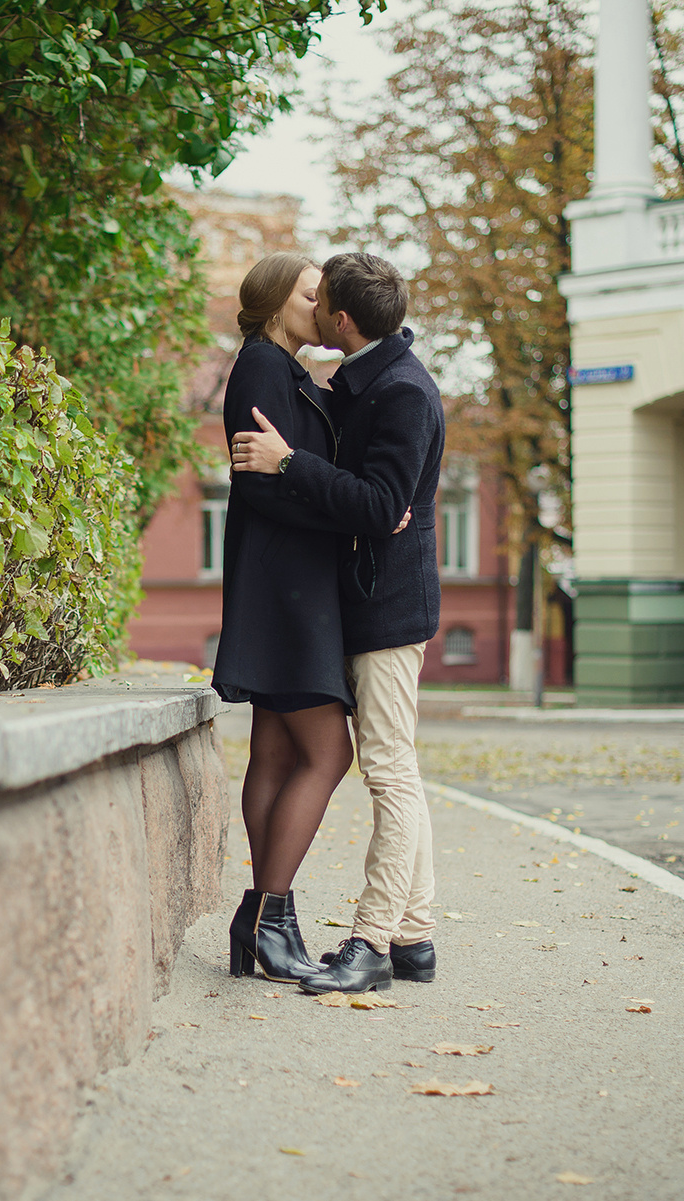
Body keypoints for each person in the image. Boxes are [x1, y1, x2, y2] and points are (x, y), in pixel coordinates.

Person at [230, 252, 444, 995]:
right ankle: (406, 936)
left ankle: (376, 939)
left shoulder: (400, 390)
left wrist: (296, 466)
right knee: (361, 763)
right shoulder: (336, 379)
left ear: (340, 318)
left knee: (385, 769)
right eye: (306, 293)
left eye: (320, 297)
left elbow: (379, 505)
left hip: (386, 608)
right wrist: (346, 498)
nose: (315, 305)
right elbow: (360, 500)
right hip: (327, 597)